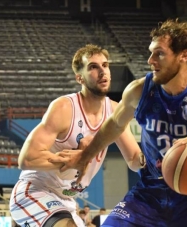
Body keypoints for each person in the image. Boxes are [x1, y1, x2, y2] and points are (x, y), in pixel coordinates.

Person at [50, 19, 187, 226]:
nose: (150, 60)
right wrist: (86, 154)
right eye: (151, 52)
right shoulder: (139, 90)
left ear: (184, 55)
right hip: (150, 192)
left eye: (159, 53)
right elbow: (115, 125)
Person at [9, 44, 143, 227]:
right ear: (79, 77)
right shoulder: (64, 108)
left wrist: (160, 160)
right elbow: (26, 159)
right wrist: (73, 160)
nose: (102, 71)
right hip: (35, 189)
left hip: (66, 201)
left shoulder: (114, 110)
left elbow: (135, 159)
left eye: (105, 65)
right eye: (93, 67)